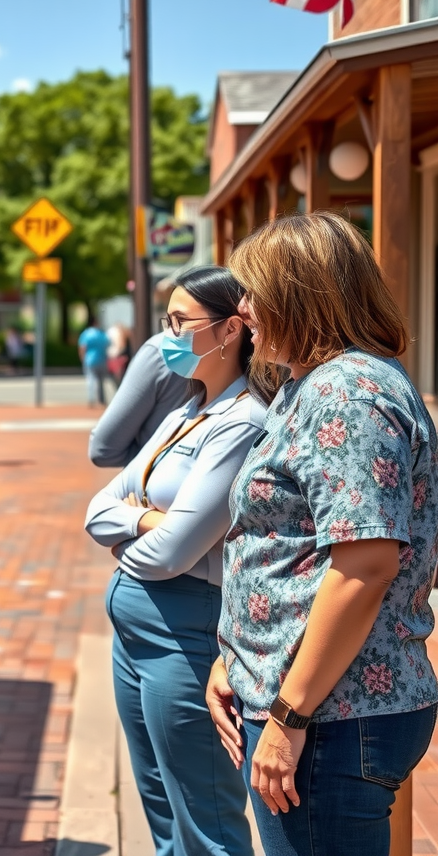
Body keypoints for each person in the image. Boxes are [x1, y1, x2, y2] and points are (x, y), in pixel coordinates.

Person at [208, 212, 438, 856]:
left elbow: (365, 567)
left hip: (333, 718)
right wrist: (238, 658)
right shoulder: (307, 383)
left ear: (300, 293)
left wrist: (286, 716)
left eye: (253, 291)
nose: (244, 309)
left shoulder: (349, 394)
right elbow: (289, 546)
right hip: (318, 709)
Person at [85, 266, 270, 856]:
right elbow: (98, 509)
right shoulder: (185, 411)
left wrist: (142, 530)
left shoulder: (243, 422)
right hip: (135, 634)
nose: (167, 335)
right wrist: (147, 518)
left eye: (179, 322)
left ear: (231, 330)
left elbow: (172, 555)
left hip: (187, 639)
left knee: (206, 822)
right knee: (163, 812)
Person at [89, 330, 190, 467]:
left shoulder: (162, 351)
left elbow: (103, 450)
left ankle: (96, 400)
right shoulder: (163, 352)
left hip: (154, 479)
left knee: (93, 381)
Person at [78, 317, 111, 407]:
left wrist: (82, 357)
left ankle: (91, 399)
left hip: (89, 359)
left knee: (90, 379)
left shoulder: (86, 334)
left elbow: (82, 347)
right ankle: (101, 400)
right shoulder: (101, 333)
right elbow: (107, 344)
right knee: (101, 381)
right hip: (101, 359)